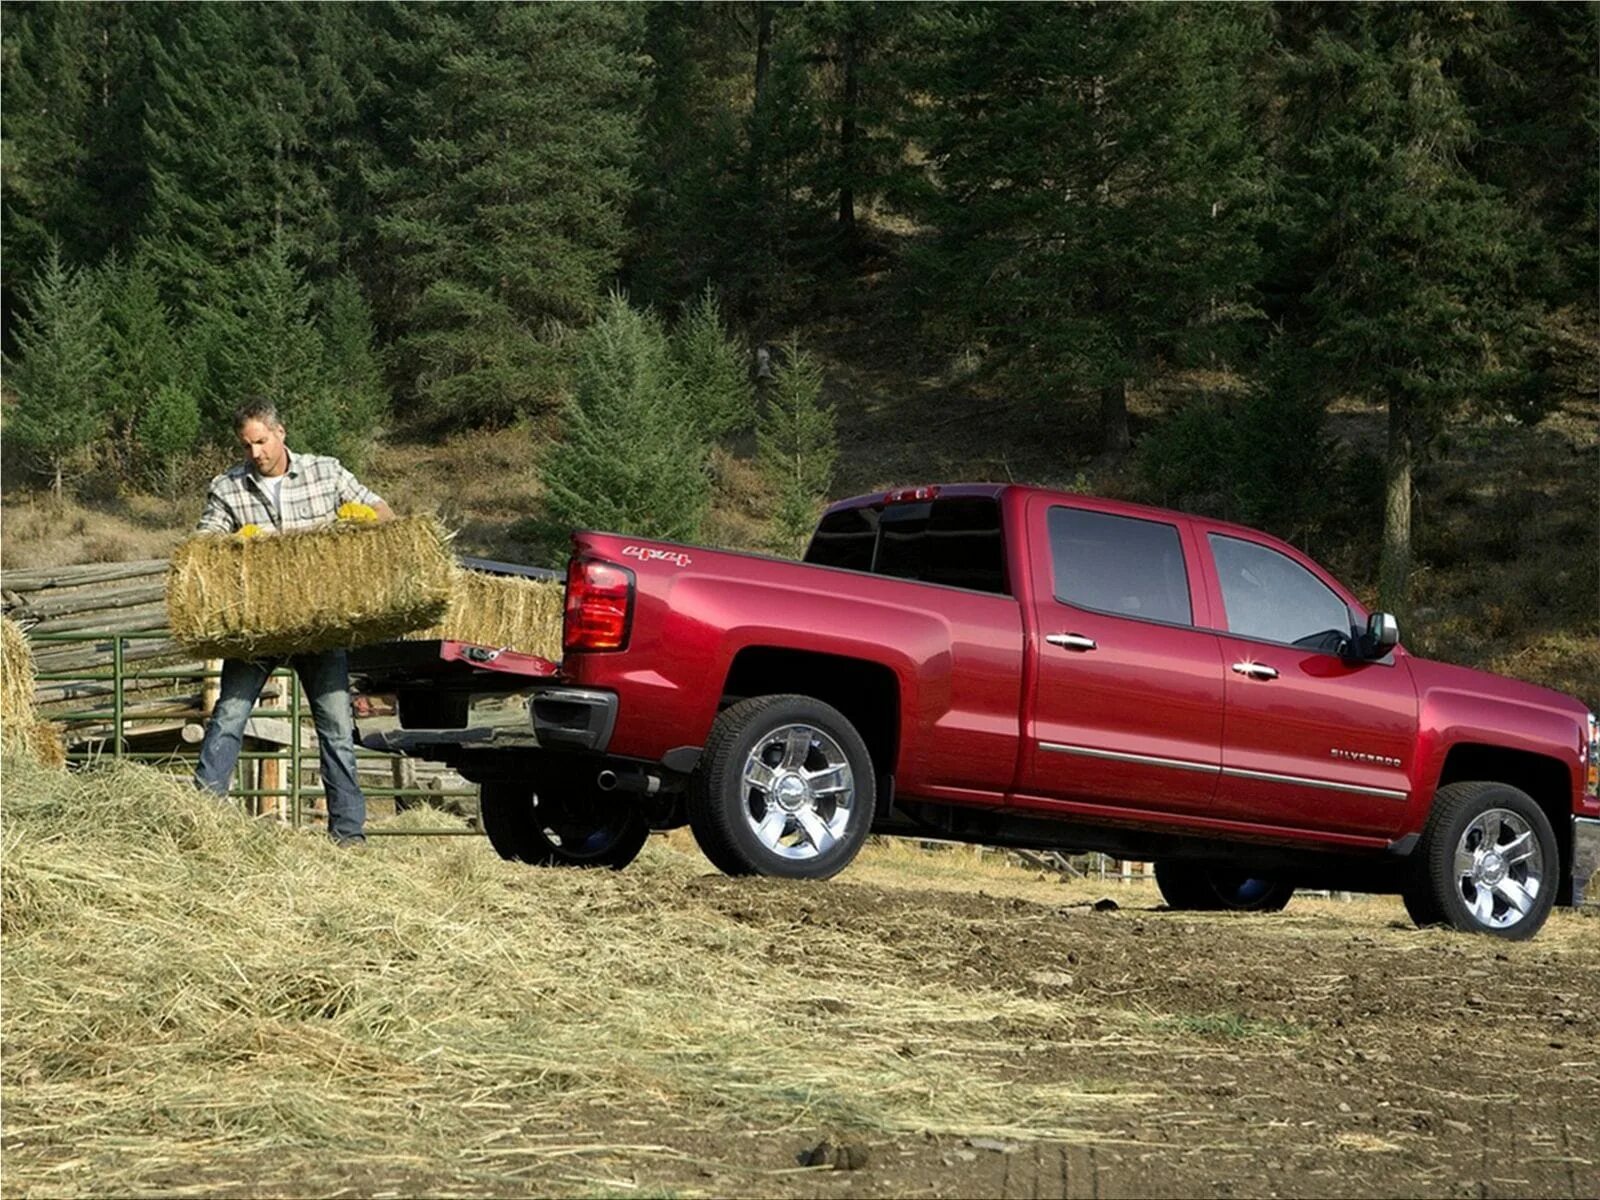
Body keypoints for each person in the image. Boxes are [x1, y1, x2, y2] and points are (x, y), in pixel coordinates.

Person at [192, 400, 394, 845]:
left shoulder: (326, 472)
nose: (256, 453)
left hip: (320, 623)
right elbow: (203, 545)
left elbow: (381, 512)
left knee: (336, 728)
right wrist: (233, 545)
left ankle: (348, 833)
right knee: (229, 715)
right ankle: (201, 817)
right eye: (247, 446)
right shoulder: (227, 487)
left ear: (280, 433)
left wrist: (353, 529)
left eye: (261, 441)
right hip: (259, 626)